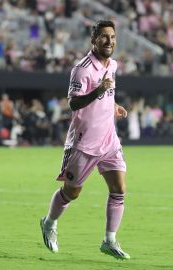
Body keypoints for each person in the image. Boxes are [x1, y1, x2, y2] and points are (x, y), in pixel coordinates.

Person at [40, 20, 130, 260]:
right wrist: (98, 91)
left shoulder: (112, 65)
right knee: (71, 193)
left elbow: (107, 95)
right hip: (84, 143)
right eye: (103, 37)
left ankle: (109, 241)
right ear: (94, 40)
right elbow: (73, 103)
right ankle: (49, 223)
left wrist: (114, 106)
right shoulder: (82, 69)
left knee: (119, 189)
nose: (109, 41)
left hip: (109, 140)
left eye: (112, 37)